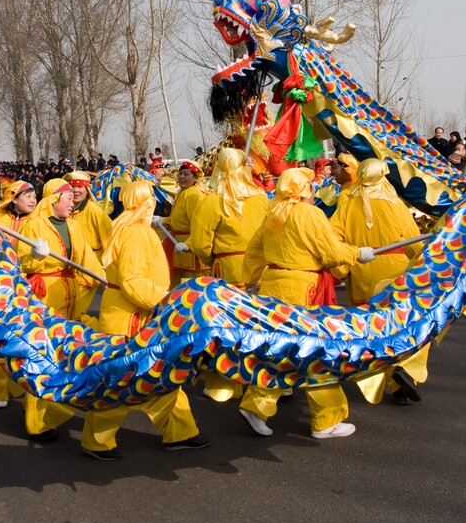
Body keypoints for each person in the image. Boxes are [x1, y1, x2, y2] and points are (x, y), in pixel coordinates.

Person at [237, 167, 372, 440]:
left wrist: (248, 281)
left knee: (278, 349)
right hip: (303, 290)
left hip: (273, 287)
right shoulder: (309, 214)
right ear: (305, 190)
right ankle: (326, 419)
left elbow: (254, 251)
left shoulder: (274, 213)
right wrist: (357, 253)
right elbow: (331, 253)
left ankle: (257, 403)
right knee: (317, 354)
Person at [80, 181, 208, 460]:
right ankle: (97, 441)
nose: (153, 201)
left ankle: (180, 432)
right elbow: (133, 280)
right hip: (132, 317)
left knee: (162, 375)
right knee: (121, 381)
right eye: (150, 197)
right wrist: (164, 302)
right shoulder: (138, 232)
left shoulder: (123, 225)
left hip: (130, 312)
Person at [330, 158, 429, 406]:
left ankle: (389, 376)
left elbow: (334, 237)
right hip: (395, 271)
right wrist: (422, 262)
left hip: (363, 270)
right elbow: (414, 241)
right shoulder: (395, 203)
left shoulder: (348, 202)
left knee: (371, 328)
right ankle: (401, 370)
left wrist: (339, 270)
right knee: (401, 324)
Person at [16, 178, 104, 442]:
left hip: (70, 293)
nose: (72, 202)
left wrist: (107, 282)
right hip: (45, 295)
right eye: (68, 198)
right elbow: (22, 262)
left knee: (65, 355)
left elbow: (87, 258)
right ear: (54, 198)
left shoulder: (73, 226)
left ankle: (51, 405)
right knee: (44, 357)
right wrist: (37, 257)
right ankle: (37, 423)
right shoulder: (34, 225)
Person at [0, 180, 38, 408]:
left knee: (26, 341)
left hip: (29, 289)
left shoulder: (39, 223)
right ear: (13, 198)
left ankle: (23, 386)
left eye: (34, 195)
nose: (33, 199)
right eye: (27, 195)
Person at [188, 148, 269, 287]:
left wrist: (213, 260)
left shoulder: (212, 201)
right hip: (260, 266)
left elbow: (200, 244)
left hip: (228, 269)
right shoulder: (261, 197)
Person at [157, 161, 209, 287]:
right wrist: (162, 221)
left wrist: (188, 244)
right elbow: (179, 219)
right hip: (178, 249)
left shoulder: (195, 195)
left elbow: (201, 226)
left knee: (193, 288)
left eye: (186, 174)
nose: (181, 177)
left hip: (190, 251)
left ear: (195, 177)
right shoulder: (182, 192)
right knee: (177, 287)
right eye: (180, 174)